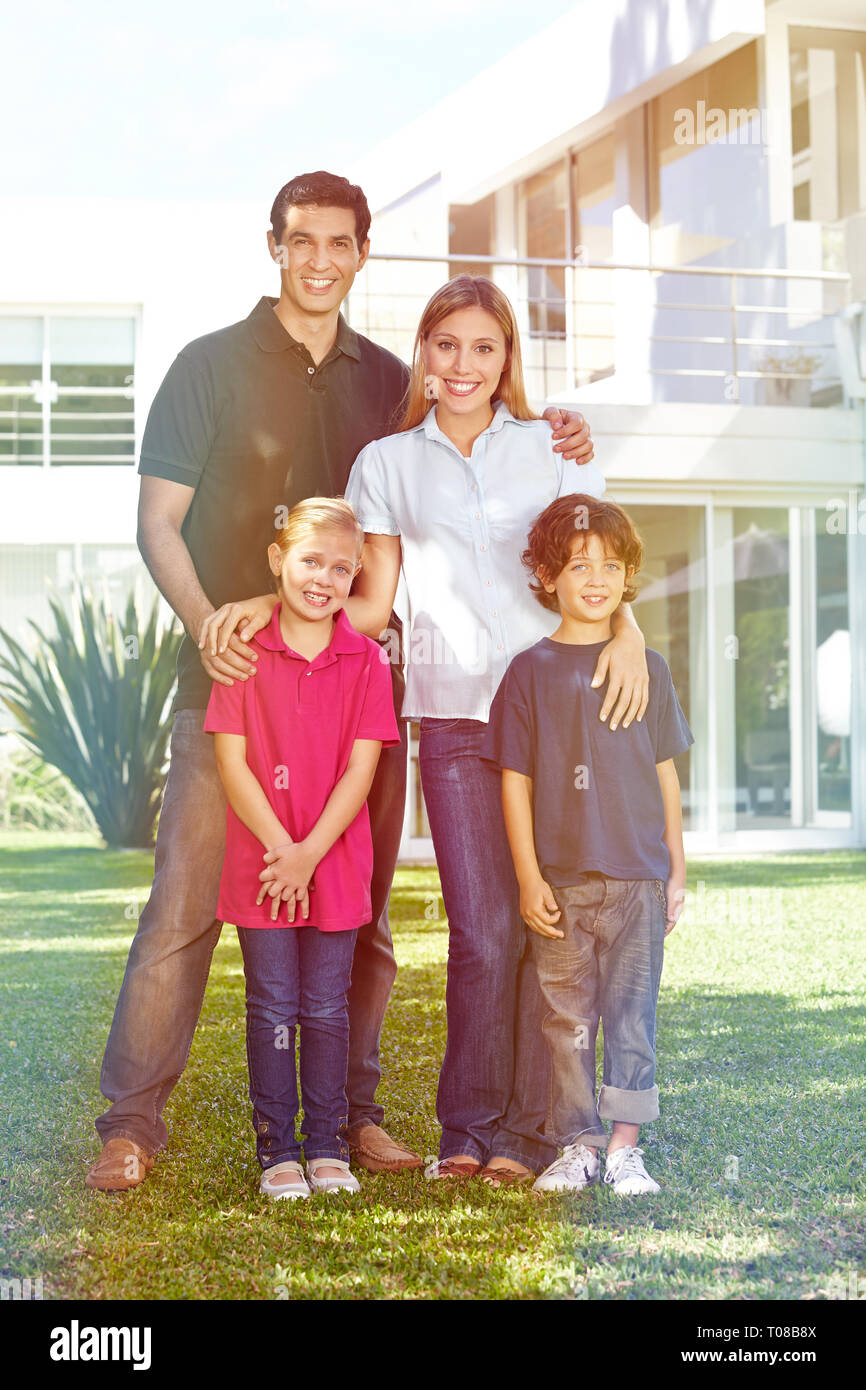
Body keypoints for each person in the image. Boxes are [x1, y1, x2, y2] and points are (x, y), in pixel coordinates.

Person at [86, 171, 595, 1191]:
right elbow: (156, 523)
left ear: (360, 253)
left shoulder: (383, 382)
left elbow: (450, 473)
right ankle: (132, 1120)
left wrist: (561, 433)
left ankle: (350, 1113)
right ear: (273, 245)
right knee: (185, 903)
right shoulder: (207, 365)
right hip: (231, 682)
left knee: (356, 906)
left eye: (338, 242)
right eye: (299, 239)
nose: (318, 258)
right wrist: (209, 624)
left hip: (363, 692)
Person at [480, 494, 693, 1195]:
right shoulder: (527, 673)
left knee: (633, 1017)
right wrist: (529, 877)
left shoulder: (649, 669)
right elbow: (515, 784)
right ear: (546, 577)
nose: (596, 578)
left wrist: (677, 870)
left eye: (610, 565)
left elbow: (666, 777)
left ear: (628, 575)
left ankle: (627, 1147)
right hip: (562, 884)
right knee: (565, 1020)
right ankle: (579, 1145)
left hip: (638, 878)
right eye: (578, 566)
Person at [205, 498, 399, 1199]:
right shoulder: (244, 657)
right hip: (263, 864)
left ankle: (326, 1145)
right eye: (310, 560)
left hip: (334, 866)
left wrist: (310, 852)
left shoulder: (369, 662)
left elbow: (361, 771)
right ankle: (277, 1153)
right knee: (272, 1007)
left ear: (356, 579)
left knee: (325, 1007)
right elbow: (234, 765)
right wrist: (282, 851)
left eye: (341, 568)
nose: (324, 578)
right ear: (276, 561)